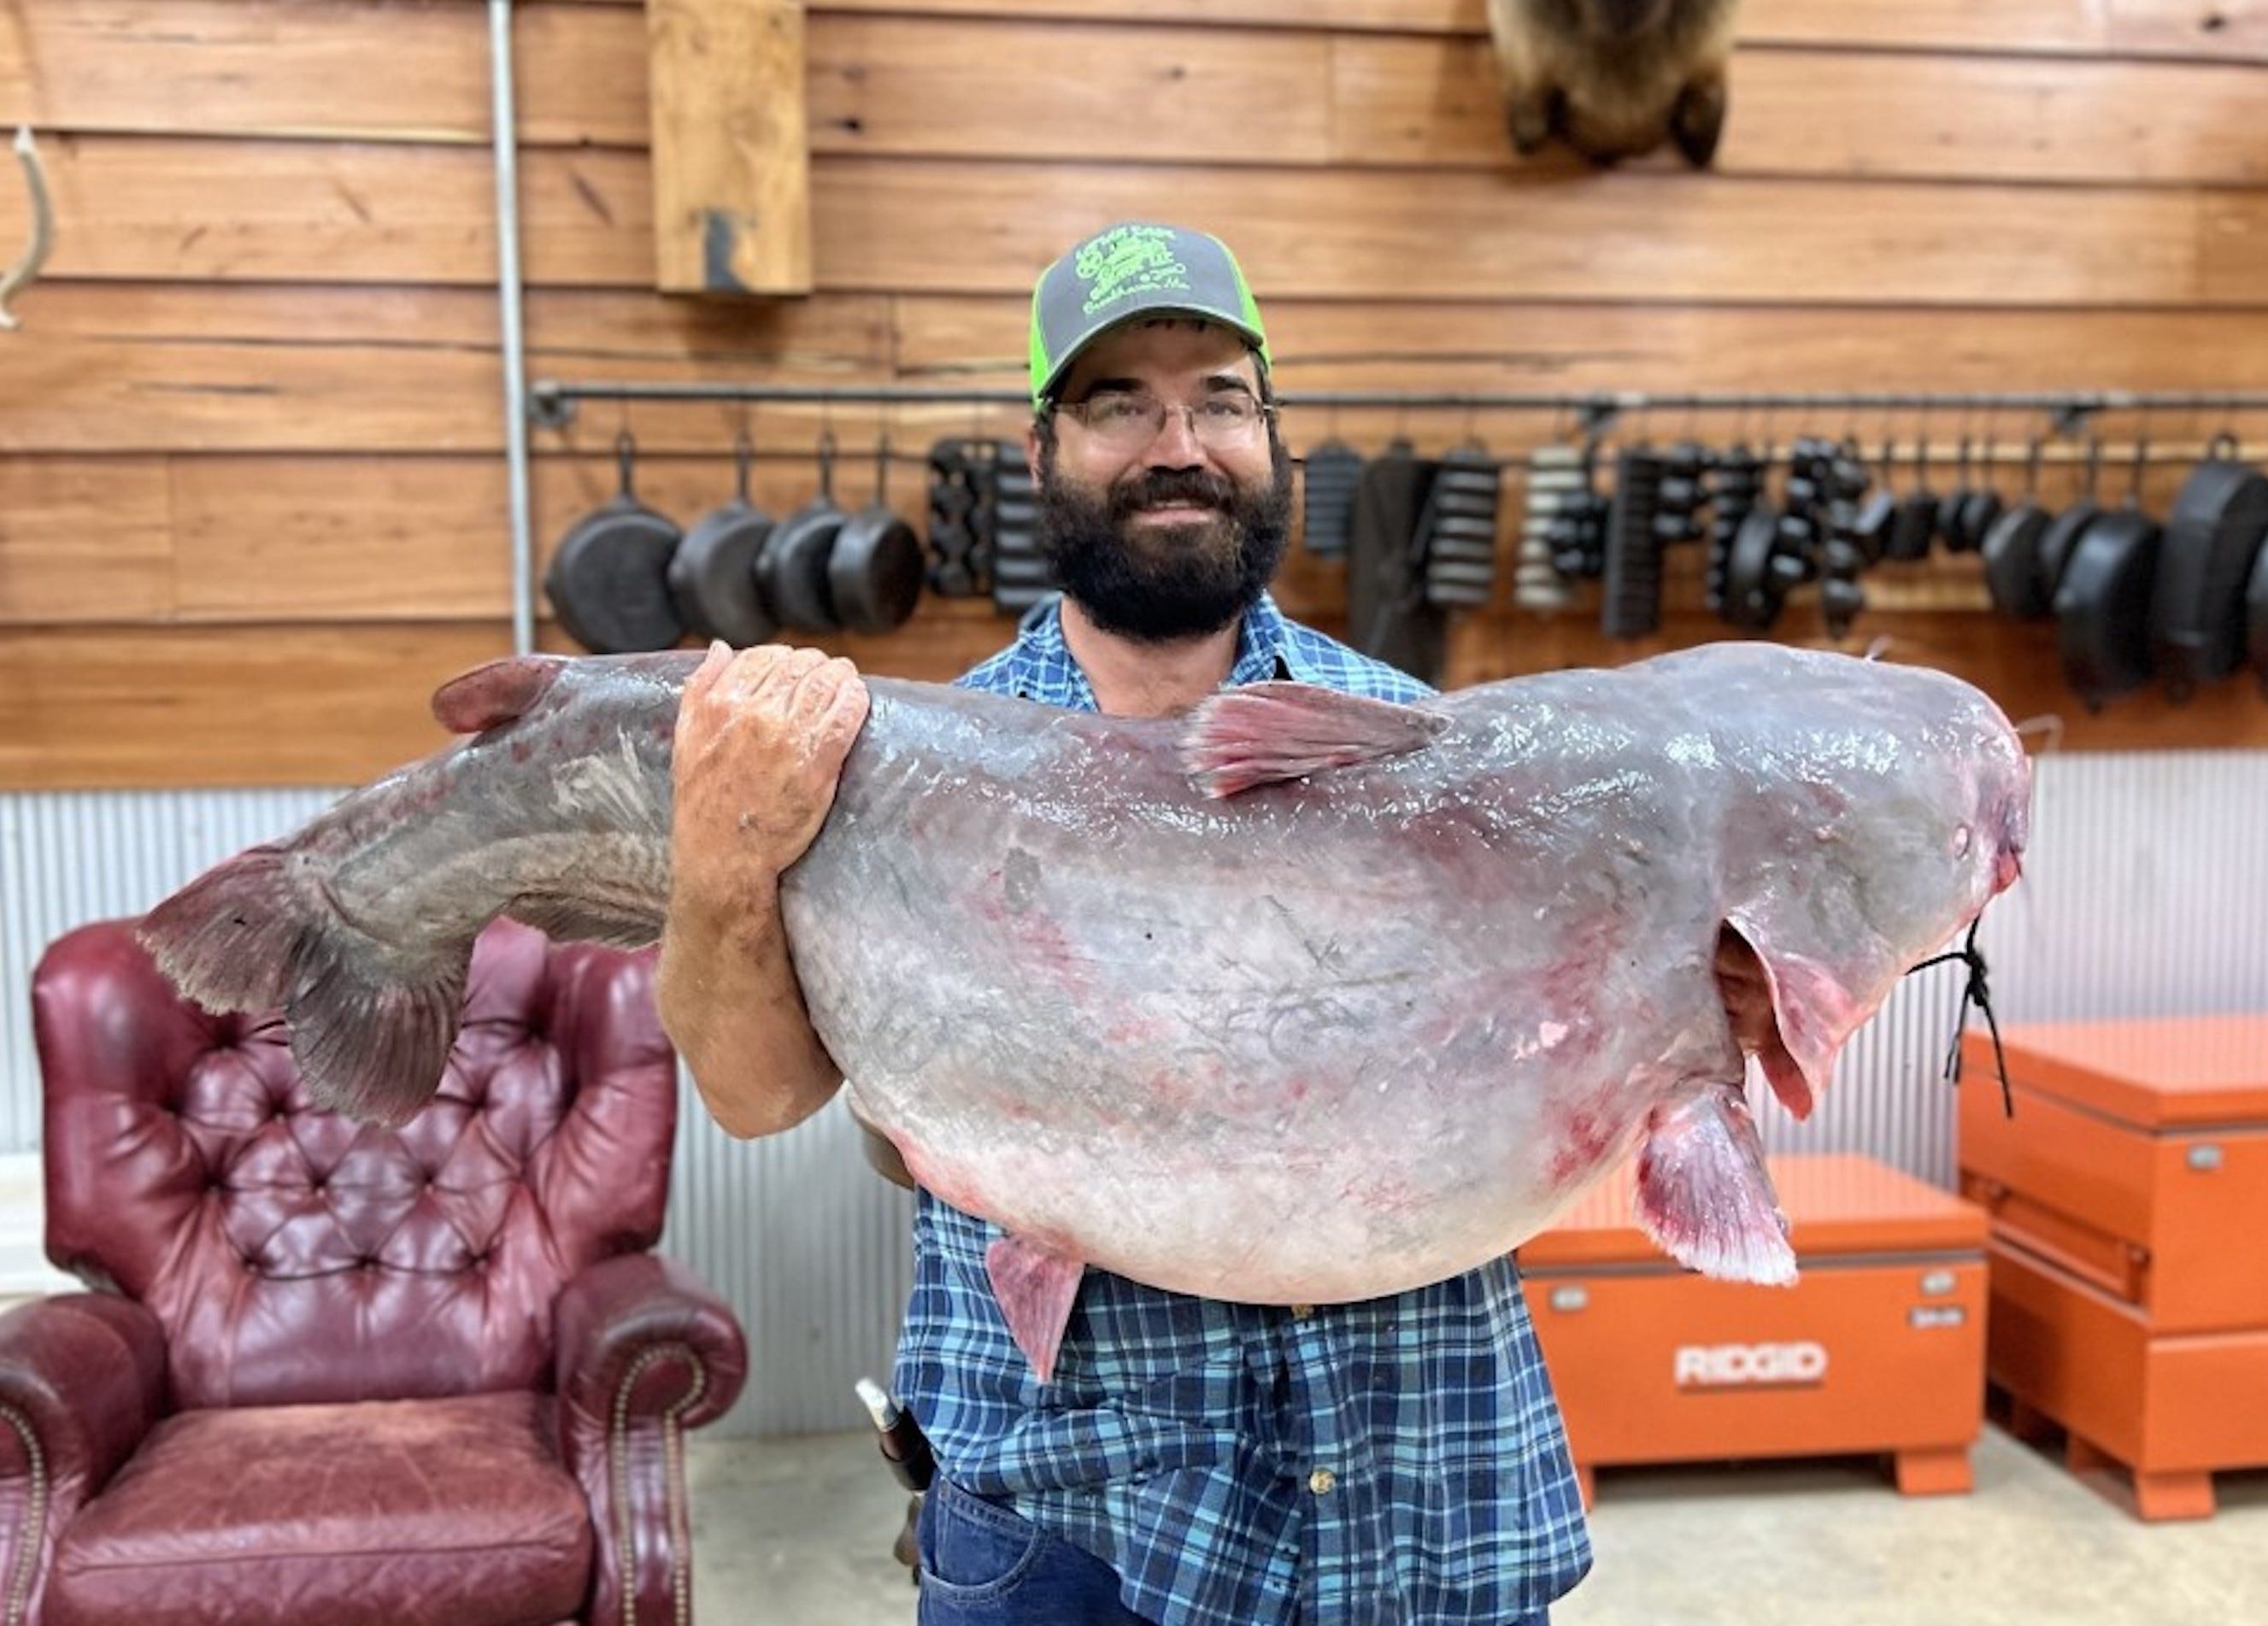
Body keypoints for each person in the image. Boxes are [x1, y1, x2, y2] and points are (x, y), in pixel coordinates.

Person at [657, 221, 1593, 1626]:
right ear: (1042, 449)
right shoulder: (898, 765)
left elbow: (1557, 1057)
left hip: (1418, 1500)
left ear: (1272, 437)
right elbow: (755, 1093)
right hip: (1072, 1525)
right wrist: (721, 853)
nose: (1179, 443)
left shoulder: (1428, 752)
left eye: (1220, 399)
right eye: (1118, 405)